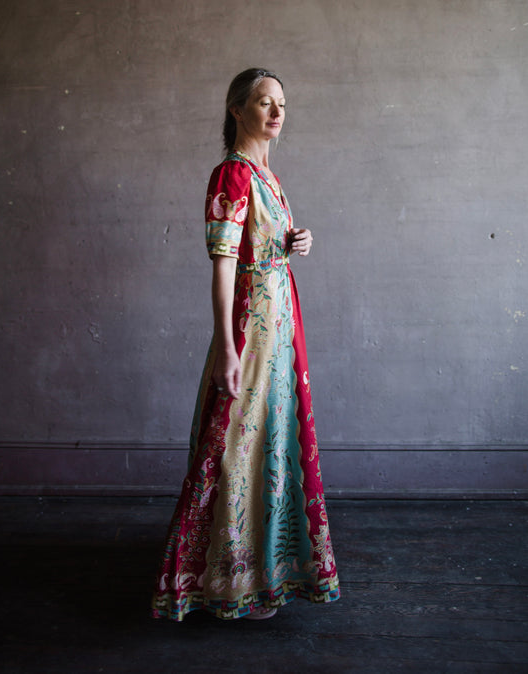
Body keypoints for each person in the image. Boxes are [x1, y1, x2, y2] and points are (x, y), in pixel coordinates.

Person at [152, 68, 340, 621]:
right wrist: (227, 349)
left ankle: (265, 572)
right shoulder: (231, 176)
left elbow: (266, 246)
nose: (276, 112)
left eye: (281, 103)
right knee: (233, 449)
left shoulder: (268, 178)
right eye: (264, 102)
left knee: (271, 447)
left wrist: (294, 240)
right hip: (251, 334)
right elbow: (224, 267)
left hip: (281, 334)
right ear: (238, 110)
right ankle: (222, 579)